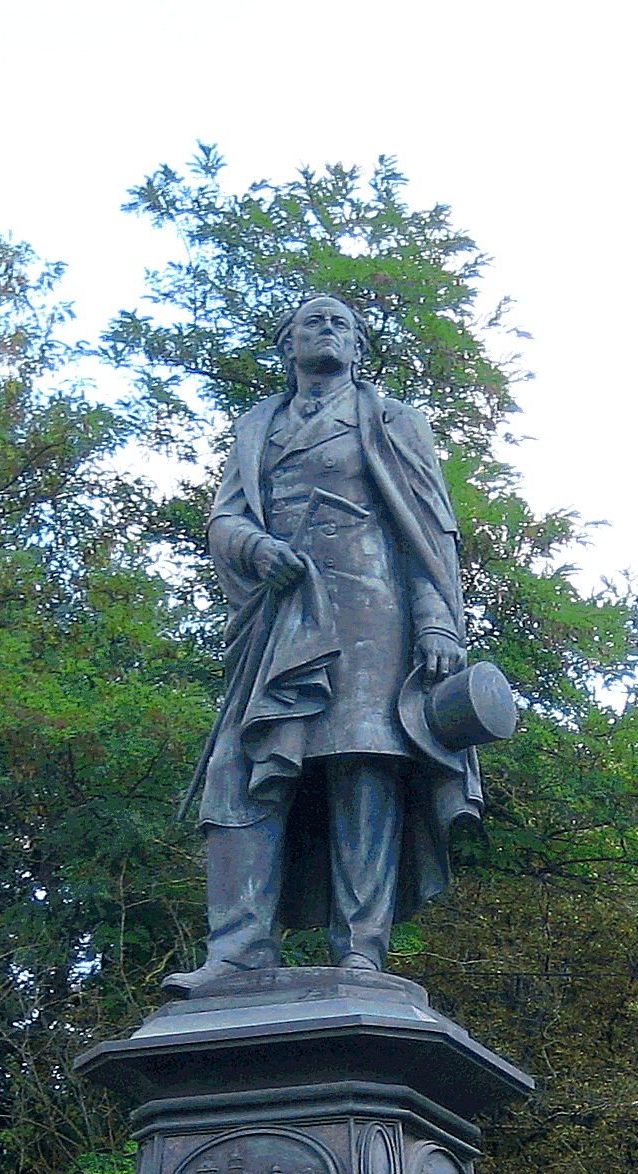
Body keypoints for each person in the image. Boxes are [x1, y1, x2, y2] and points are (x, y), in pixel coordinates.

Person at [170, 294, 477, 990]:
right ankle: (239, 948)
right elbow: (224, 519)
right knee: (241, 766)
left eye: (344, 322)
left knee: (361, 765)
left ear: (360, 348)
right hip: (281, 614)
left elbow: (429, 534)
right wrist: (253, 546)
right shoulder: (257, 426)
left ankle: (361, 949)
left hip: (371, 609)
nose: (331, 328)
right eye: (315, 320)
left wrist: (437, 622)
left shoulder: (393, 420)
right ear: (287, 345)